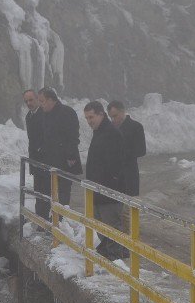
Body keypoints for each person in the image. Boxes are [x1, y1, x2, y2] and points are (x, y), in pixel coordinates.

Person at [83, 101, 128, 261]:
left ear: (101, 114)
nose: (89, 121)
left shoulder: (112, 133)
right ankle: (106, 251)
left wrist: (109, 187)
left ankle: (115, 259)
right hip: (97, 190)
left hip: (109, 192)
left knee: (111, 226)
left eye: (91, 117)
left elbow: (116, 165)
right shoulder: (99, 131)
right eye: (87, 118)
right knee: (100, 224)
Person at [34, 87, 81, 220]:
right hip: (48, 160)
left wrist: (70, 156)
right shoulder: (43, 114)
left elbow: (73, 136)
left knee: (62, 193)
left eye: (42, 101)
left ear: (50, 100)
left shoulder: (67, 112)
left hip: (64, 161)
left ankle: (60, 222)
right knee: (46, 191)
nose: (40, 104)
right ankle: (45, 220)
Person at [107, 100, 146, 197]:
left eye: (115, 116)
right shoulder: (110, 128)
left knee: (130, 207)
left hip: (129, 174)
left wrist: (121, 152)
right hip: (113, 175)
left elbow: (141, 150)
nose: (113, 119)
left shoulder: (136, 127)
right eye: (111, 117)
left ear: (123, 111)